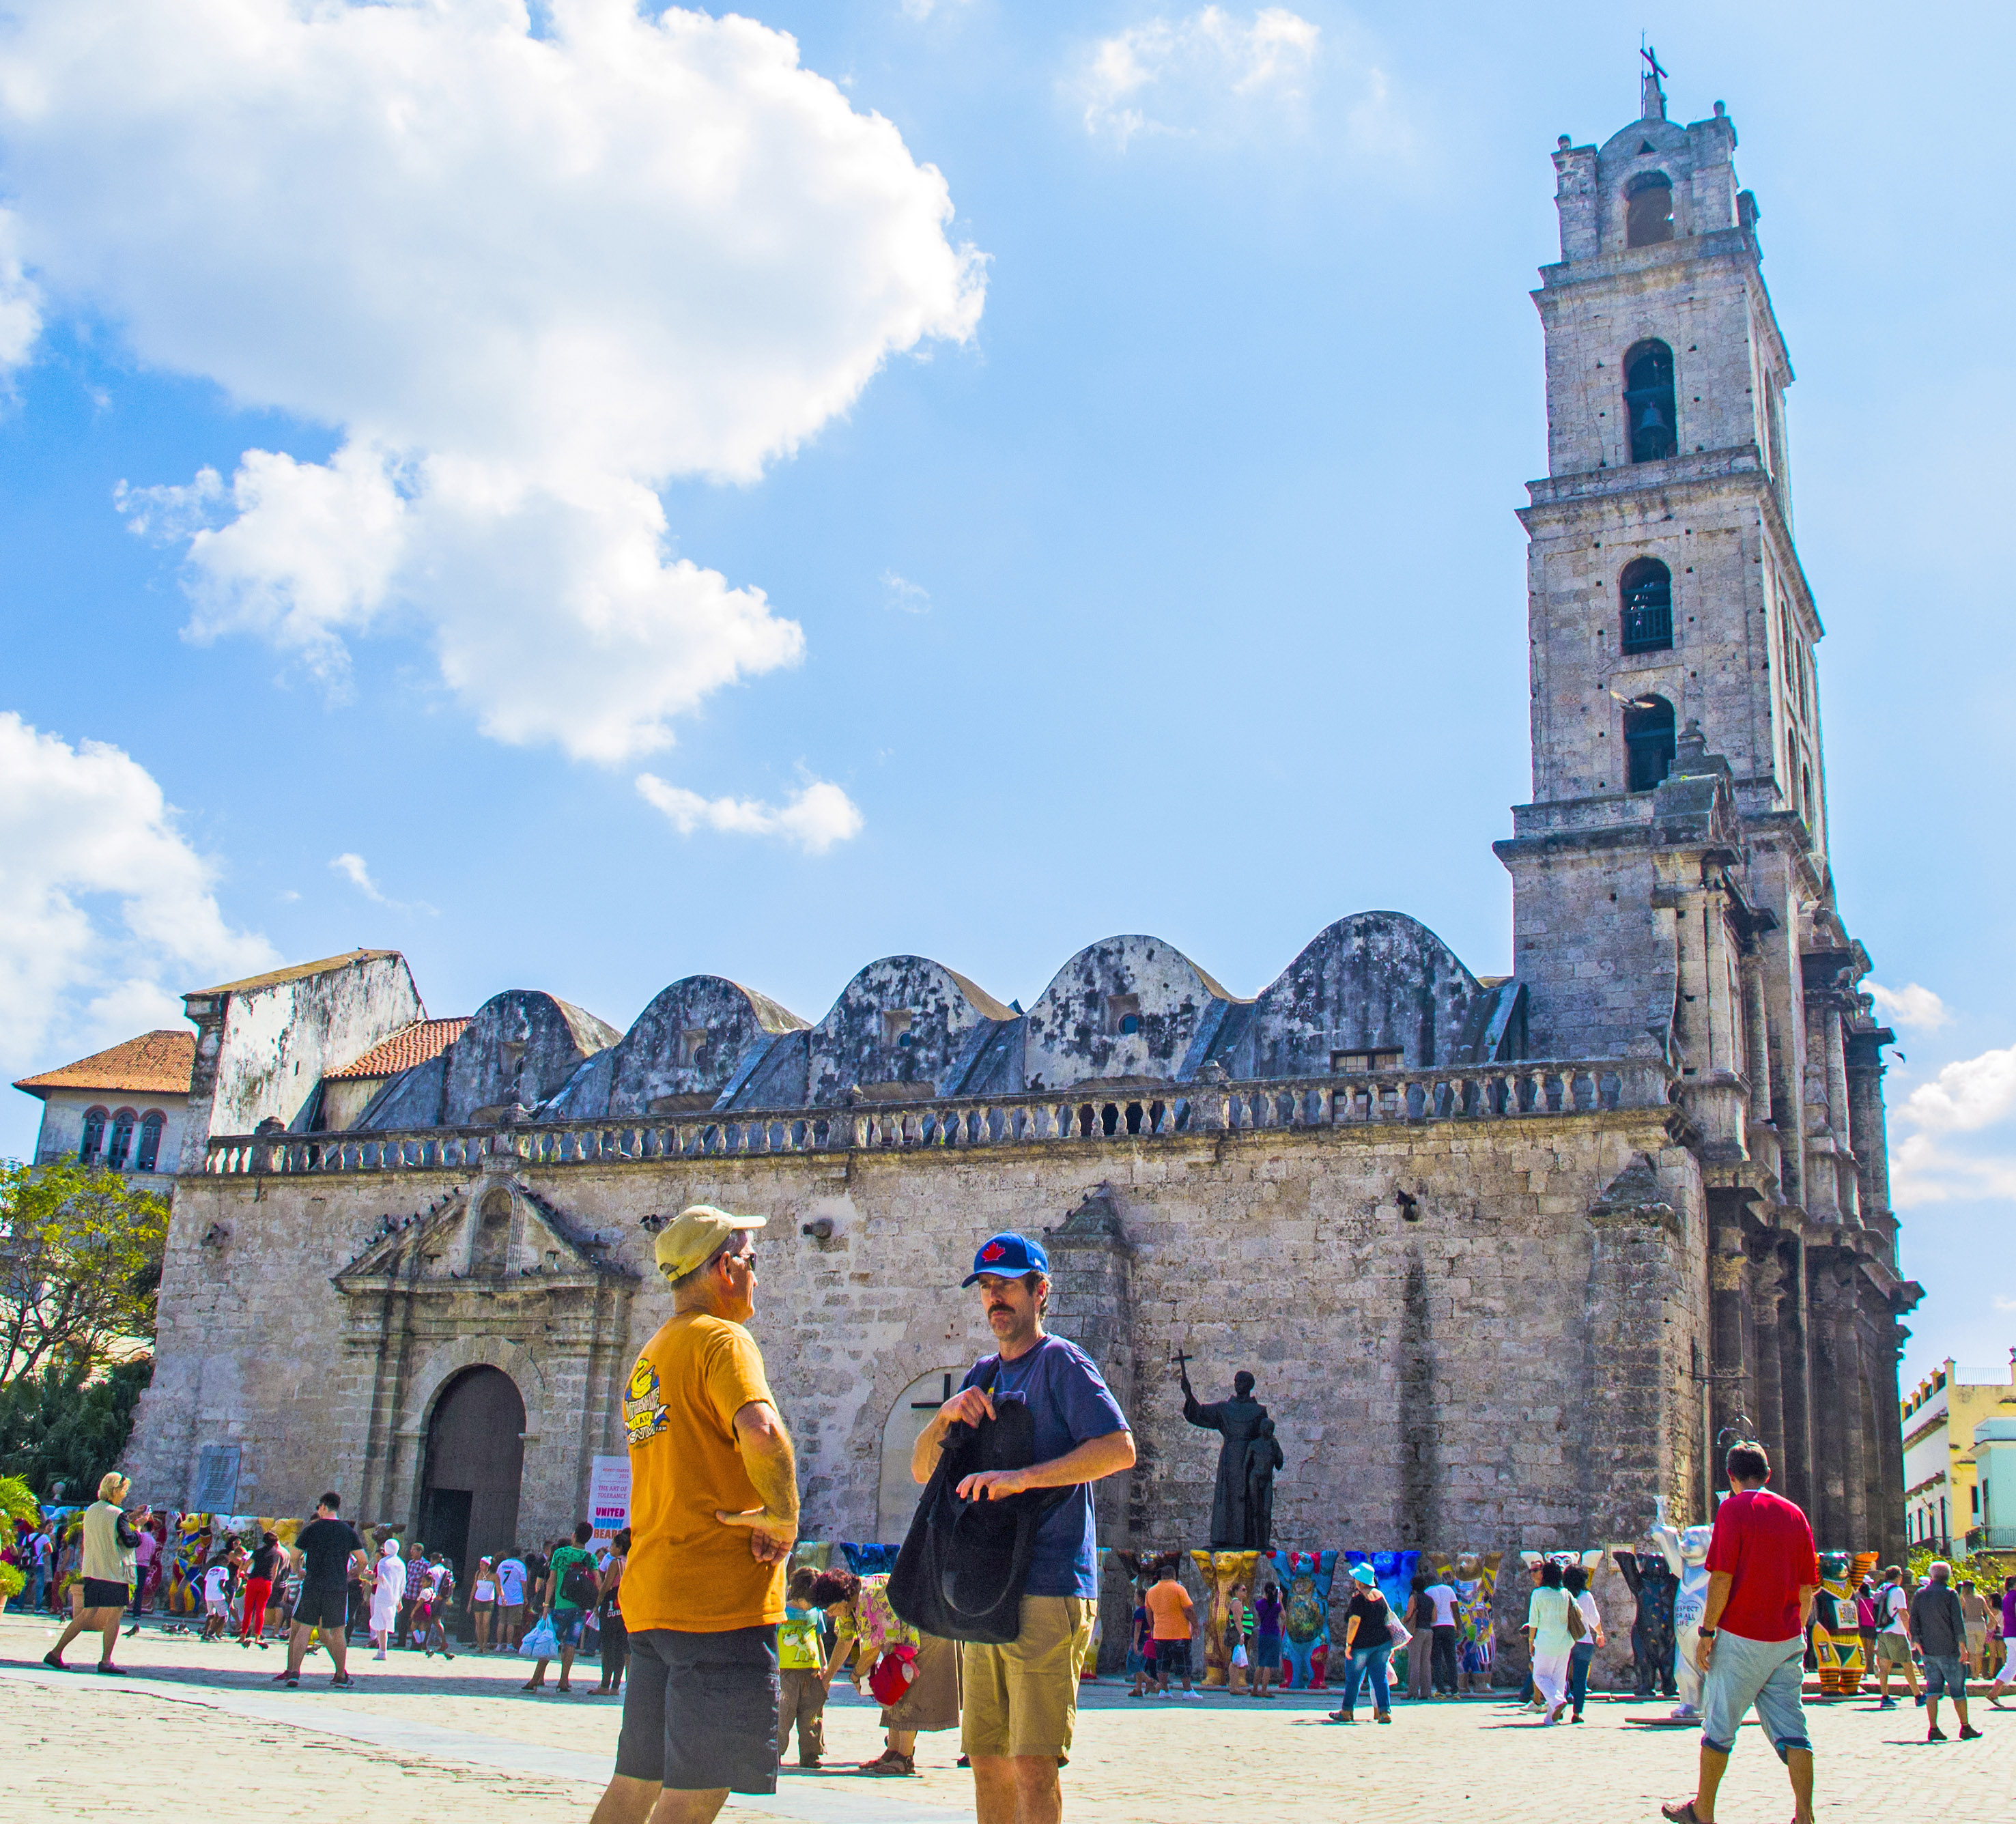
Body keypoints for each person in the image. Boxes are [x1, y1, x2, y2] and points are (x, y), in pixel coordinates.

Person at [909, 1229, 1136, 1824]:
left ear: (1040, 1293)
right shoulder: (982, 1374)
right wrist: (944, 1418)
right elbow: (921, 1471)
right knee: (986, 1760)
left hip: (1048, 1583)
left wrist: (1023, 1479)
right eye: (986, 1287)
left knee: (1033, 1764)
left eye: (1007, 1286)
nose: (995, 1299)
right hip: (986, 1587)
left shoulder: (1061, 1363)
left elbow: (1118, 1449)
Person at [587, 1206, 799, 1824]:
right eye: (752, 1261)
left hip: (654, 1597)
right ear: (725, 1268)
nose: (757, 1275)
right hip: (716, 1601)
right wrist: (783, 1516)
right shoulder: (721, 1339)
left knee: (635, 1784)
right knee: (697, 1793)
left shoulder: (652, 1355)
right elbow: (762, 1433)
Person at [1660, 1442, 1819, 1824]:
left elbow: (1722, 1577)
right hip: (1786, 1639)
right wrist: (1796, 1632)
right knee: (1794, 1729)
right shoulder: (1795, 1514)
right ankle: (1805, 1815)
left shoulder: (1733, 1509)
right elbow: (1807, 1588)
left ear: (1731, 1477)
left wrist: (1707, 1632)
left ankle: (1703, 1811)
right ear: (1768, 1475)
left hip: (1741, 1635)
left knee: (1718, 1728)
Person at [811, 1565, 959, 1773]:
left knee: (906, 1690)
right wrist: (827, 1679)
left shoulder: (870, 1596)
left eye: (831, 1608)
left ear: (842, 1598)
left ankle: (904, 1758)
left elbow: (872, 1650)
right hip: (903, 1641)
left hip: (926, 1632)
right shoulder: (848, 1605)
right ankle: (893, 1752)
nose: (829, 1614)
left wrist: (856, 1675)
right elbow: (845, 1641)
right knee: (891, 1688)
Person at [44, 1473, 143, 1674]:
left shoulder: (92, 1510)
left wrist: (131, 1517)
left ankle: (56, 1652)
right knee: (115, 1614)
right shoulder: (117, 1513)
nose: (125, 1494)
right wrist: (139, 1527)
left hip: (93, 1570)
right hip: (113, 1571)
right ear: (115, 1490)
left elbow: (110, 1526)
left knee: (87, 1613)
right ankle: (106, 1660)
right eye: (124, 1490)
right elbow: (130, 1540)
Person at [276, 1491, 365, 1690]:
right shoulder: (348, 1531)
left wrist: (298, 1571)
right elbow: (363, 1559)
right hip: (337, 1587)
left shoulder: (311, 1529)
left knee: (304, 1628)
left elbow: (294, 1555)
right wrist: (355, 1573)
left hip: (313, 1585)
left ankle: (295, 1673)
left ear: (323, 1507)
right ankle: (340, 1676)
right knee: (338, 1632)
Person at [1909, 1561, 1982, 1743]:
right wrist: (1963, 1647)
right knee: (1958, 1690)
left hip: (1929, 1650)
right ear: (1948, 1576)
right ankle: (1965, 1726)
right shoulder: (1950, 1594)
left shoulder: (1920, 1594)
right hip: (1949, 1650)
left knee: (1932, 1690)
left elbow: (1914, 1621)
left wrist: (1917, 1643)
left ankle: (1933, 1728)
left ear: (1932, 1575)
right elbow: (1958, 1622)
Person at [524, 1520, 597, 1692]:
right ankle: (563, 1681)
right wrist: (596, 1604)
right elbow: (598, 1582)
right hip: (579, 1608)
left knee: (550, 1641)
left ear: (574, 1535)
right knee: (571, 1644)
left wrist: (546, 1605)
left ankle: (535, 1679)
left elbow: (552, 1580)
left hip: (560, 1606)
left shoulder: (560, 1553)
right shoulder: (590, 1557)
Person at [1327, 1561, 1395, 1724]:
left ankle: (1347, 1711)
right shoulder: (1380, 1596)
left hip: (1362, 1645)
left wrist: (1349, 1644)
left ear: (1360, 1580)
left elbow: (1354, 1622)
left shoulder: (1358, 1598)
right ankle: (1384, 1712)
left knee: (1354, 1679)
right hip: (1382, 1643)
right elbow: (1388, 1618)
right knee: (1380, 1679)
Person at [775, 1567, 827, 1767]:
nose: (812, 1604)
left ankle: (810, 1753)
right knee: (783, 1713)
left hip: (811, 1671)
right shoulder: (782, 1611)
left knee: (812, 1714)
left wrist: (824, 1665)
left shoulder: (816, 1613)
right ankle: (775, 1752)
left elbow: (819, 1638)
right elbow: (774, 1639)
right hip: (786, 1672)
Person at [1520, 1560, 1573, 1723]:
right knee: (1558, 1680)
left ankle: (1557, 1701)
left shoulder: (1538, 1594)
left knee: (1539, 1676)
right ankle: (1551, 1718)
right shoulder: (1566, 1593)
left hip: (1545, 1642)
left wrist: (1531, 1642)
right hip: (1565, 1642)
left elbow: (1533, 1621)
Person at [1871, 1563, 1920, 1709]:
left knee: (1884, 1666)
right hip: (1896, 1631)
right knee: (1907, 1665)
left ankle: (1885, 1696)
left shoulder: (1881, 1589)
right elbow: (1903, 1613)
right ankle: (1918, 1695)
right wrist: (1910, 1632)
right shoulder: (1898, 1591)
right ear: (1899, 1577)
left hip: (1882, 1631)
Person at [1144, 1565, 1196, 1698]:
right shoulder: (1179, 1589)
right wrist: (1195, 1626)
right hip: (1179, 1633)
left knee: (1162, 1663)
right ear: (1174, 1575)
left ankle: (1164, 1691)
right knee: (1183, 1663)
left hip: (1160, 1634)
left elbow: (1148, 1612)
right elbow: (1189, 1609)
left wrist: (1153, 1627)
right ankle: (1187, 1691)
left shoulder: (1151, 1591)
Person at [1564, 1563, 1606, 1722]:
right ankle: (1577, 1713)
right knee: (1580, 1680)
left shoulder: (1563, 1595)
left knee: (1561, 1677)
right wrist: (1600, 1634)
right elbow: (1594, 1619)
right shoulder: (1586, 1596)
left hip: (1565, 1641)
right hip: (1584, 1641)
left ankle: (1558, 1707)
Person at [595, 1528, 631, 1697]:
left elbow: (606, 1585)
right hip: (625, 1605)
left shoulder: (616, 1563)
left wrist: (597, 1603)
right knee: (621, 1647)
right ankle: (616, 1686)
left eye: (612, 1545)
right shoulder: (630, 1561)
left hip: (611, 1604)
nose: (610, 1548)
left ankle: (604, 1684)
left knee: (608, 1646)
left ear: (619, 1547)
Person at [1422, 1567, 1460, 1698]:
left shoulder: (1428, 1592)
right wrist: (1459, 1627)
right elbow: (1455, 1609)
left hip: (1435, 1626)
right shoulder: (1449, 1589)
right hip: (1449, 1625)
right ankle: (1455, 1690)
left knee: (1436, 1658)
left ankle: (1441, 1690)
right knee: (1451, 1658)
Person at [239, 1531, 279, 1647]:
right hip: (266, 1582)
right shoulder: (276, 1554)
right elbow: (275, 1570)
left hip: (253, 1581)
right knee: (260, 1610)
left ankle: (243, 1635)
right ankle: (257, 1636)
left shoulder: (257, 1552)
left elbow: (246, 1565)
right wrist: (271, 1582)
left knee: (248, 1609)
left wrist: (245, 1575)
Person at [369, 1538, 406, 1659]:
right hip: (394, 1597)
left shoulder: (383, 1562)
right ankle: (383, 1650)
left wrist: (369, 1580)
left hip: (383, 1595)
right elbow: (402, 1583)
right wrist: (400, 1600)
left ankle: (382, 1651)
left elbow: (380, 1579)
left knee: (381, 1625)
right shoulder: (401, 1564)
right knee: (386, 1622)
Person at [1251, 1577, 1283, 1698]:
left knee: (1261, 1663)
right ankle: (1264, 1690)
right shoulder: (1276, 1606)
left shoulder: (1259, 1604)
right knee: (1268, 1665)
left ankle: (1255, 1689)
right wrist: (1280, 1601)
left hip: (1263, 1634)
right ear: (1275, 1592)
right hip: (1273, 1634)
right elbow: (1284, 1616)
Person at [1405, 1574, 1434, 1702]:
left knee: (1414, 1662)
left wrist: (1402, 1620)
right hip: (1428, 1631)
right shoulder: (1430, 1600)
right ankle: (1426, 1692)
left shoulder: (1414, 1598)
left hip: (1416, 1630)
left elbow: (1409, 1615)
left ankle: (1412, 1692)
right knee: (1426, 1663)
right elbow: (1434, 1617)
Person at [1125, 1583, 1155, 1698]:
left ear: (1140, 1599)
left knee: (1133, 1663)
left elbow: (1137, 1629)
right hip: (1147, 1640)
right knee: (1140, 1664)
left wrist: (1135, 1644)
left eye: (1135, 1596)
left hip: (1139, 1641)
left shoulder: (1139, 1612)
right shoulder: (1149, 1611)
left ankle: (1148, 1680)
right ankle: (1138, 1689)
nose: (1134, 1599)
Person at [496, 1548, 528, 1649]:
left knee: (502, 1622)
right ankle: (509, 1645)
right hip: (515, 1598)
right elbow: (523, 1583)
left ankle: (499, 1645)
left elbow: (497, 1579)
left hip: (503, 1597)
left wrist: (498, 1594)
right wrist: (525, 1597)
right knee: (512, 1623)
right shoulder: (520, 1565)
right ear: (519, 1555)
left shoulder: (502, 1564)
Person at [1991, 1576, 2016, 1707]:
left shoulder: (2006, 1597)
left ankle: (1994, 1693)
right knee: (2011, 1666)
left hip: (2009, 1634)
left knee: (2011, 1666)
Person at [1958, 1577, 1988, 1679]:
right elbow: (1988, 1612)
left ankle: (1974, 1674)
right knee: (1979, 1651)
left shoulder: (1963, 1599)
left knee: (1972, 1652)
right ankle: (1978, 1673)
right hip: (1980, 1624)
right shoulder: (1980, 1598)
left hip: (1969, 1625)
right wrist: (1993, 1623)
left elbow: (1959, 1613)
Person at [470, 1556, 498, 1653]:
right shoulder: (478, 1574)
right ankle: (480, 1645)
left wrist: (502, 1597)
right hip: (478, 1600)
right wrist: (470, 1602)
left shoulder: (494, 1575)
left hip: (489, 1601)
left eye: (482, 1565)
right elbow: (474, 1587)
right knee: (478, 1623)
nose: (480, 1567)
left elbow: (498, 1588)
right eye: (480, 1565)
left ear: (487, 1565)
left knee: (486, 1623)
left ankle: (485, 1644)